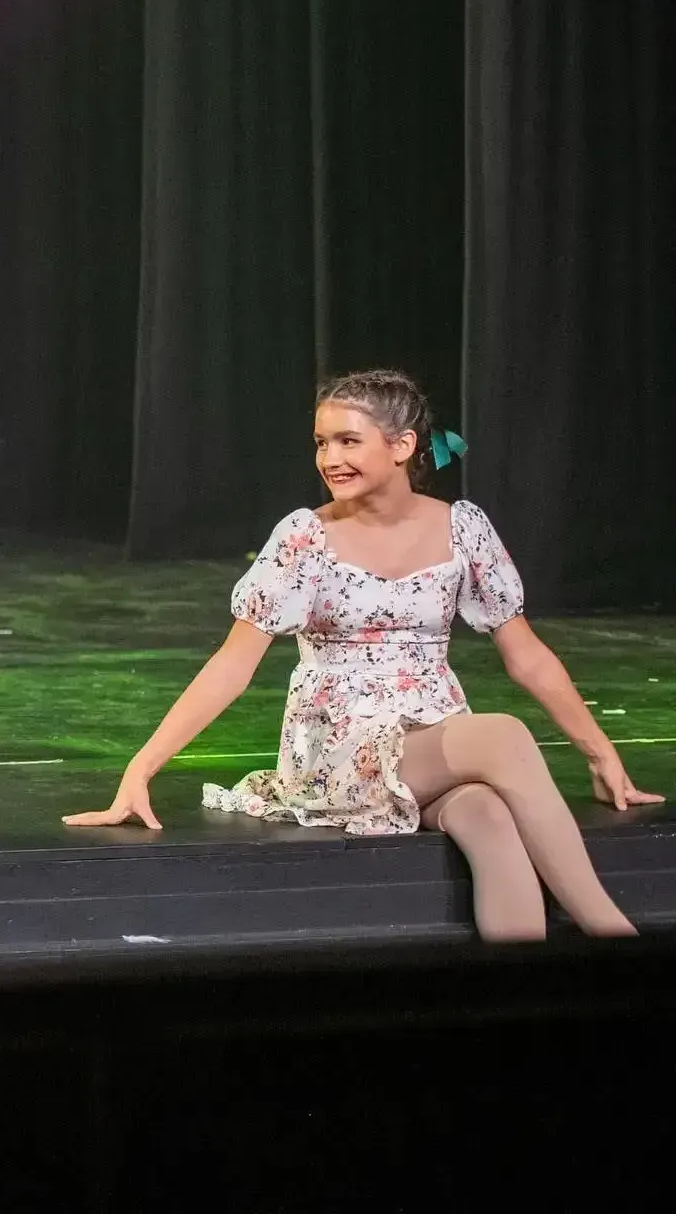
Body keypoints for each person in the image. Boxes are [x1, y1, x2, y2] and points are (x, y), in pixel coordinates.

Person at [64, 368, 662, 940]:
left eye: (348, 440)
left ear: (402, 446)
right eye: (322, 442)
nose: (330, 458)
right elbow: (231, 666)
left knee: (490, 820)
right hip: (338, 751)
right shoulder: (305, 536)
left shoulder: (463, 528)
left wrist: (602, 754)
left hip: (429, 741)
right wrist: (141, 767)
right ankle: (616, 940)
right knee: (503, 737)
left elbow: (526, 655)